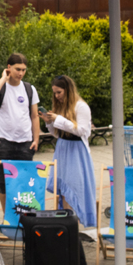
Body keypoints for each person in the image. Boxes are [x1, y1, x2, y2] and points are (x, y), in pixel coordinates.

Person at [0, 52, 40, 211]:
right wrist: (4, 78)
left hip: (25, 143)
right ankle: (8, 216)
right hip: (4, 142)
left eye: (23, 70)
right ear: (9, 67)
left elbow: (34, 116)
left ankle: (24, 214)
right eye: (17, 69)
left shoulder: (29, 89)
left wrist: (36, 139)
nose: (21, 73)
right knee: (3, 184)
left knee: (24, 182)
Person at [40, 74, 96, 227]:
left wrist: (58, 119)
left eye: (59, 92)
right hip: (62, 148)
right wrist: (49, 122)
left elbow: (83, 131)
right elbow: (57, 133)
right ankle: (67, 225)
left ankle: (74, 224)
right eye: (54, 93)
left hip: (76, 151)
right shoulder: (61, 106)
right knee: (63, 188)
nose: (56, 96)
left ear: (68, 90)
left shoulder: (81, 106)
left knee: (74, 187)